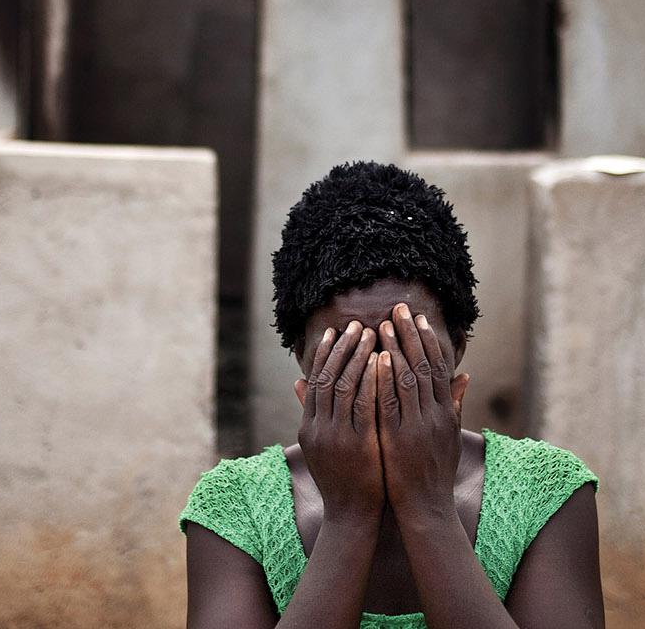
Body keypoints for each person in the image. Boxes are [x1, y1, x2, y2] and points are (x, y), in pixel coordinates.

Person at [181, 161, 604, 629]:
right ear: (303, 358)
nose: (384, 372)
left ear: (456, 349)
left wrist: (426, 505)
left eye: (407, 345)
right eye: (350, 350)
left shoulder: (543, 493)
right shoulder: (235, 506)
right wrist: (348, 515)